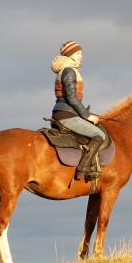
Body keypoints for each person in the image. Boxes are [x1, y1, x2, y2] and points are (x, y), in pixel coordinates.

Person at [51, 41, 105, 179]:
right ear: (70, 54)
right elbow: (71, 97)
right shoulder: (69, 70)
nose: (81, 56)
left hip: (65, 112)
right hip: (66, 114)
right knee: (99, 135)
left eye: (81, 53)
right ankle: (84, 168)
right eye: (78, 53)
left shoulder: (68, 69)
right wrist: (86, 116)